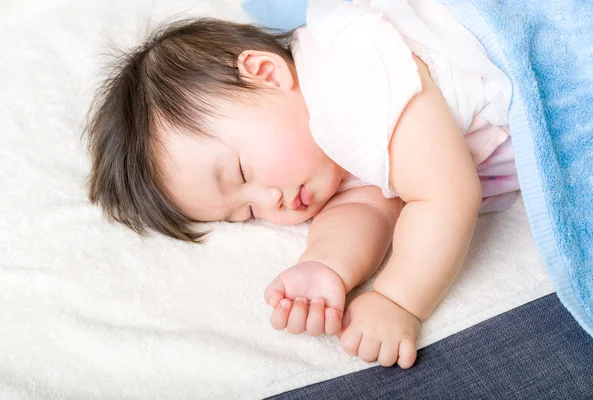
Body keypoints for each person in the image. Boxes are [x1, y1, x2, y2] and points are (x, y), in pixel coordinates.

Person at [85, 0, 520, 368]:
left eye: (241, 174)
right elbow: (367, 207)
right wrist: (325, 264)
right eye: (248, 213)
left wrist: (399, 299)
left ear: (266, 73)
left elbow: (445, 194)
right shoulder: (323, 152)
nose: (273, 203)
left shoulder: (351, 80)